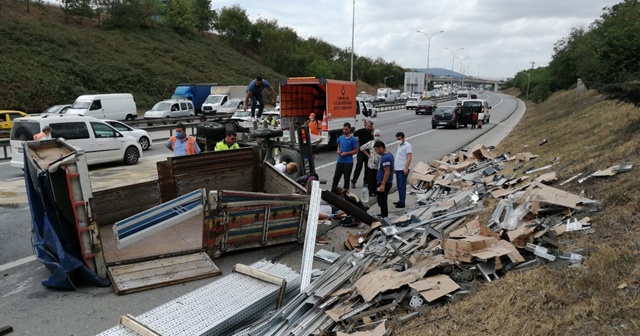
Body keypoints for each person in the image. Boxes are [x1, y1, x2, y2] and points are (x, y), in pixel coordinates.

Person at [331, 122, 359, 191]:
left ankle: (345, 194)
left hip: (348, 162)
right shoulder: (340, 138)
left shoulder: (353, 140)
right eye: (343, 129)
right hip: (340, 161)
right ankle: (333, 192)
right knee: (336, 178)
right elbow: (339, 145)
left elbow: (356, 150)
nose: (344, 131)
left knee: (346, 179)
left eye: (346, 129)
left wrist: (347, 153)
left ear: (349, 129)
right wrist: (338, 150)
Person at [351, 119, 375, 189]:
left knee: (367, 169)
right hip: (361, 152)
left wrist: (373, 130)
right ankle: (354, 181)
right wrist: (356, 143)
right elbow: (352, 135)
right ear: (365, 125)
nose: (369, 128)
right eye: (368, 126)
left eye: (370, 127)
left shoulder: (371, 133)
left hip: (369, 152)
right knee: (359, 166)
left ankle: (366, 182)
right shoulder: (361, 131)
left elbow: (375, 138)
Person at [359, 130, 383, 197]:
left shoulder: (382, 143)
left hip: (379, 164)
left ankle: (377, 191)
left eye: (378, 135)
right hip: (371, 164)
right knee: (371, 178)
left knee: (378, 178)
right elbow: (361, 148)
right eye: (375, 135)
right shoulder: (371, 143)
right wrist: (367, 154)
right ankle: (371, 192)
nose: (377, 137)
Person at [374, 141, 394, 218]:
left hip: (384, 182)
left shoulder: (385, 158)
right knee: (381, 199)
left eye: (376, 150)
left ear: (381, 148)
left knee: (382, 200)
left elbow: (387, 172)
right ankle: (383, 213)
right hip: (383, 181)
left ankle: (384, 216)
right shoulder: (388, 155)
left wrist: (382, 185)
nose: (376, 152)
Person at [394, 132, 413, 208]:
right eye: (397, 139)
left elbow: (409, 157)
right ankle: (400, 200)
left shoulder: (407, 146)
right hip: (398, 169)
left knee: (402, 187)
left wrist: (406, 168)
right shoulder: (400, 145)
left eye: (399, 139)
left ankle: (402, 203)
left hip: (403, 169)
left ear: (403, 138)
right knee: (399, 186)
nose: (398, 140)